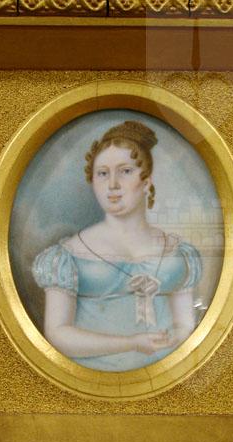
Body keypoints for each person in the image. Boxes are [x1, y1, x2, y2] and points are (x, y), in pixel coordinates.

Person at [32, 120, 202, 372]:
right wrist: (131, 343)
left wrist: (173, 337)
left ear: (146, 181)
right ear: (92, 181)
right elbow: (57, 334)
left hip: (168, 376)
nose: (112, 184)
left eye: (125, 171)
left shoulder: (178, 253)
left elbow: (187, 326)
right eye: (103, 173)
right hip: (91, 379)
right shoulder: (68, 256)